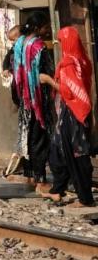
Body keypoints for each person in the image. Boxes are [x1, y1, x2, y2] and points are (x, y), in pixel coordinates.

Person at [40, 25, 94, 206]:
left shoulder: (69, 64)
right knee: (58, 151)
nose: (59, 44)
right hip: (75, 111)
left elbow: (67, 91)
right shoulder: (83, 60)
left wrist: (48, 80)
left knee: (76, 154)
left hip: (73, 112)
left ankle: (85, 199)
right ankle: (57, 190)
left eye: (61, 41)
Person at [10, 12, 55, 193]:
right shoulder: (39, 47)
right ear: (38, 28)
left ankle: (29, 176)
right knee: (39, 140)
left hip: (24, 100)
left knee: (27, 137)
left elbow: (16, 71)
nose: (48, 30)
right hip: (37, 101)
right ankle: (41, 180)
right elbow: (46, 72)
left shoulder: (20, 43)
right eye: (45, 27)